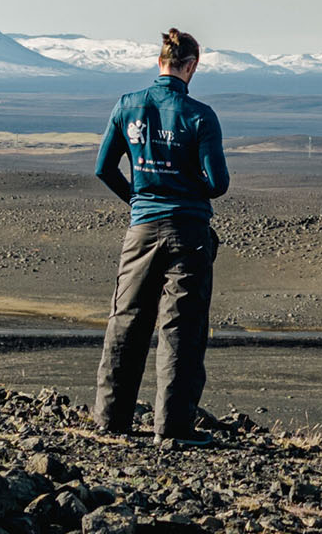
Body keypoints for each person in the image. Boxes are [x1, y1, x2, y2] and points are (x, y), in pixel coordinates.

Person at [90, 27, 230, 444]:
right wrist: (186, 190)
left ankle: (111, 421)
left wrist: (139, 197)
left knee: (126, 321)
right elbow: (218, 182)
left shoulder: (128, 105)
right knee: (182, 330)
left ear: (159, 63)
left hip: (141, 229)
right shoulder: (199, 115)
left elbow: (103, 168)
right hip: (188, 233)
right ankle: (173, 429)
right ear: (192, 66)